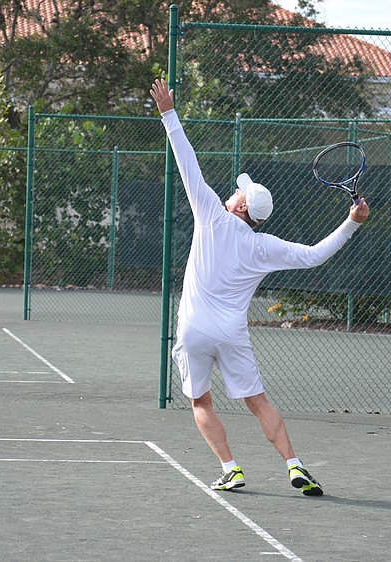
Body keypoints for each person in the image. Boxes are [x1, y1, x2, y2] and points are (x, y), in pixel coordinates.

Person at [150, 78, 370, 496]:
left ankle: (230, 468)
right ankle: (294, 464)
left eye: (239, 192)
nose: (233, 192)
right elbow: (315, 255)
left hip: (193, 329)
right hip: (231, 333)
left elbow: (187, 163)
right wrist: (351, 223)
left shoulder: (211, 214)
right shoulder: (264, 246)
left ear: (241, 206)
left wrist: (169, 114)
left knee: (200, 402)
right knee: (258, 402)